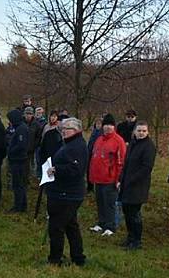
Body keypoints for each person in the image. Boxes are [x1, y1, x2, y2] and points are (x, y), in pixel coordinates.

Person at [44, 117, 88, 266]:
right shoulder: (69, 144)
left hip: (67, 194)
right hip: (64, 192)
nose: (63, 132)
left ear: (76, 130)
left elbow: (76, 170)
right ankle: (78, 257)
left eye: (67, 129)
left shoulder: (77, 146)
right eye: (62, 129)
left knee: (56, 227)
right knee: (71, 226)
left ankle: (55, 259)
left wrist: (56, 169)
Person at [117, 122, 156, 250]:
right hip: (127, 183)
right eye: (139, 130)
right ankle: (130, 237)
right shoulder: (132, 144)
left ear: (147, 132)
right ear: (134, 131)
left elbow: (146, 168)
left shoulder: (149, 146)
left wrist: (132, 180)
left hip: (138, 185)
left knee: (134, 213)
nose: (141, 133)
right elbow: (126, 163)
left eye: (144, 131)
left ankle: (137, 241)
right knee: (126, 211)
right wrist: (121, 179)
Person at [88, 114, 127, 237]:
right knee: (100, 201)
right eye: (106, 125)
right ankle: (102, 222)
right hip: (98, 178)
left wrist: (118, 179)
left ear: (114, 127)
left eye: (110, 125)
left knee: (110, 203)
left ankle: (111, 226)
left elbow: (121, 162)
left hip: (110, 178)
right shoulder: (99, 139)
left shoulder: (118, 141)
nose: (108, 127)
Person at [6, 108, 29, 212]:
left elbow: (21, 145)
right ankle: (22, 204)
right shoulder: (20, 127)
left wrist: (10, 151)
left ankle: (18, 206)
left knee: (18, 184)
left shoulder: (21, 129)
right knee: (20, 184)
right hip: (18, 159)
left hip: (19, 160)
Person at [23, 107, 41, 183]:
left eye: (30, 114)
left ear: (33, 115)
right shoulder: (21, 122)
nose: (28, 115)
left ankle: (27, 180)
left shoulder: (36, 124)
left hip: (30, 149)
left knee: (28, 166)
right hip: (21, 148)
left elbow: (38, 137)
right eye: (27, 114)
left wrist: (34, 145)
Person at [86, 116, 103, 193]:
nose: (98, 125)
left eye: (100, 124)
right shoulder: (94, 131)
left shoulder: (101, 133)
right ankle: (90, 187)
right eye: (97, 124)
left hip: (96, 154)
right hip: (90, 152)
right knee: (89, 170)